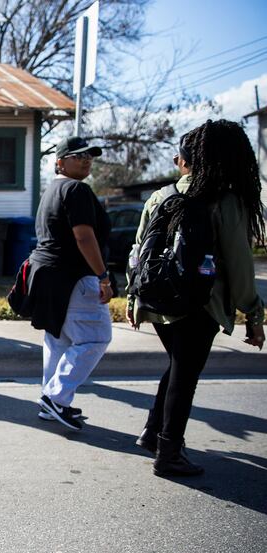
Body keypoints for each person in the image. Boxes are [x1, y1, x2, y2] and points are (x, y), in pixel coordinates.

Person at [127, 120, 265, 477]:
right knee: (185, 376)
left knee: (177, 366)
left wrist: (133, 298)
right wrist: (252, 312)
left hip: (156, 299)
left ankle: (151, 433)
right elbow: (239, 263)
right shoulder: (227, 200)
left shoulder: (161, 195)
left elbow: (138, 251)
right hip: (199, 304)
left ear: (187, 159)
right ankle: (169, 453)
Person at [27, 136, 113, 431]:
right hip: (74, 276)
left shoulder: (53, 189)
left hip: (49, 275)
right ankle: (55, 397)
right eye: (78, 156)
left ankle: (52, 402)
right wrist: (103, 276)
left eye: (89, 156)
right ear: (60, 162)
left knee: (59, 340)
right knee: (95, 337)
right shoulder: (76, 189)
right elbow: (83, 236)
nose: (86, 160)